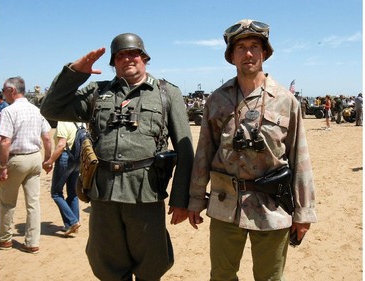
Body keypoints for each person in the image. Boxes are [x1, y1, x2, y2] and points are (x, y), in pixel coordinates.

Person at [40, 33, 194, 281]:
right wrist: (75, 73)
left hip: (146, 193)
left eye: (133, 53)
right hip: (103, 195)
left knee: (151, 263)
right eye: (120, 55)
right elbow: (50, 108)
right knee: (108, 264)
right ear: (113, 62)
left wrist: (181, 198)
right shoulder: (96, 92)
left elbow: (185, 152)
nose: (127, 58)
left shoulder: (167, 93)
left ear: (144, 58)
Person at [188, 19, 317, 281]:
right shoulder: (216, 99)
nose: (248, 53)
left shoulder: (286, 101)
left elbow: (299, 158)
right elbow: (204, 152)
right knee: (222, 276)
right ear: (231, 55)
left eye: (255, 46)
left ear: (265, 53)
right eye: (241, 47)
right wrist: (196, 199)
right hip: (225, 206)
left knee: (269, 277)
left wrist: (304, 212)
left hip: (272, 208)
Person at [0, 76, 52, 254]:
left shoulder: (9, 111)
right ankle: (32, 242)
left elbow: (4, 142)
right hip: (34, 158)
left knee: (7, 202)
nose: (2, 94)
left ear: (11, 90)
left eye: (3, 91)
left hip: (16, 159)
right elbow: (47, 137)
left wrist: (3, 167)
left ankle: (4, 239)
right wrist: (48, 159)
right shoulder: (36, 110)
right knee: (33, 203)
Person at [44, 121, 83, 236]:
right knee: (73, 193)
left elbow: (61, 145)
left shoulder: (63, 122)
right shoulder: (81, 123)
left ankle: (72, 222)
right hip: (77, 159)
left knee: (56, 193)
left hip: (65, 158)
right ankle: (73, 225)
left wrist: (50, 161)